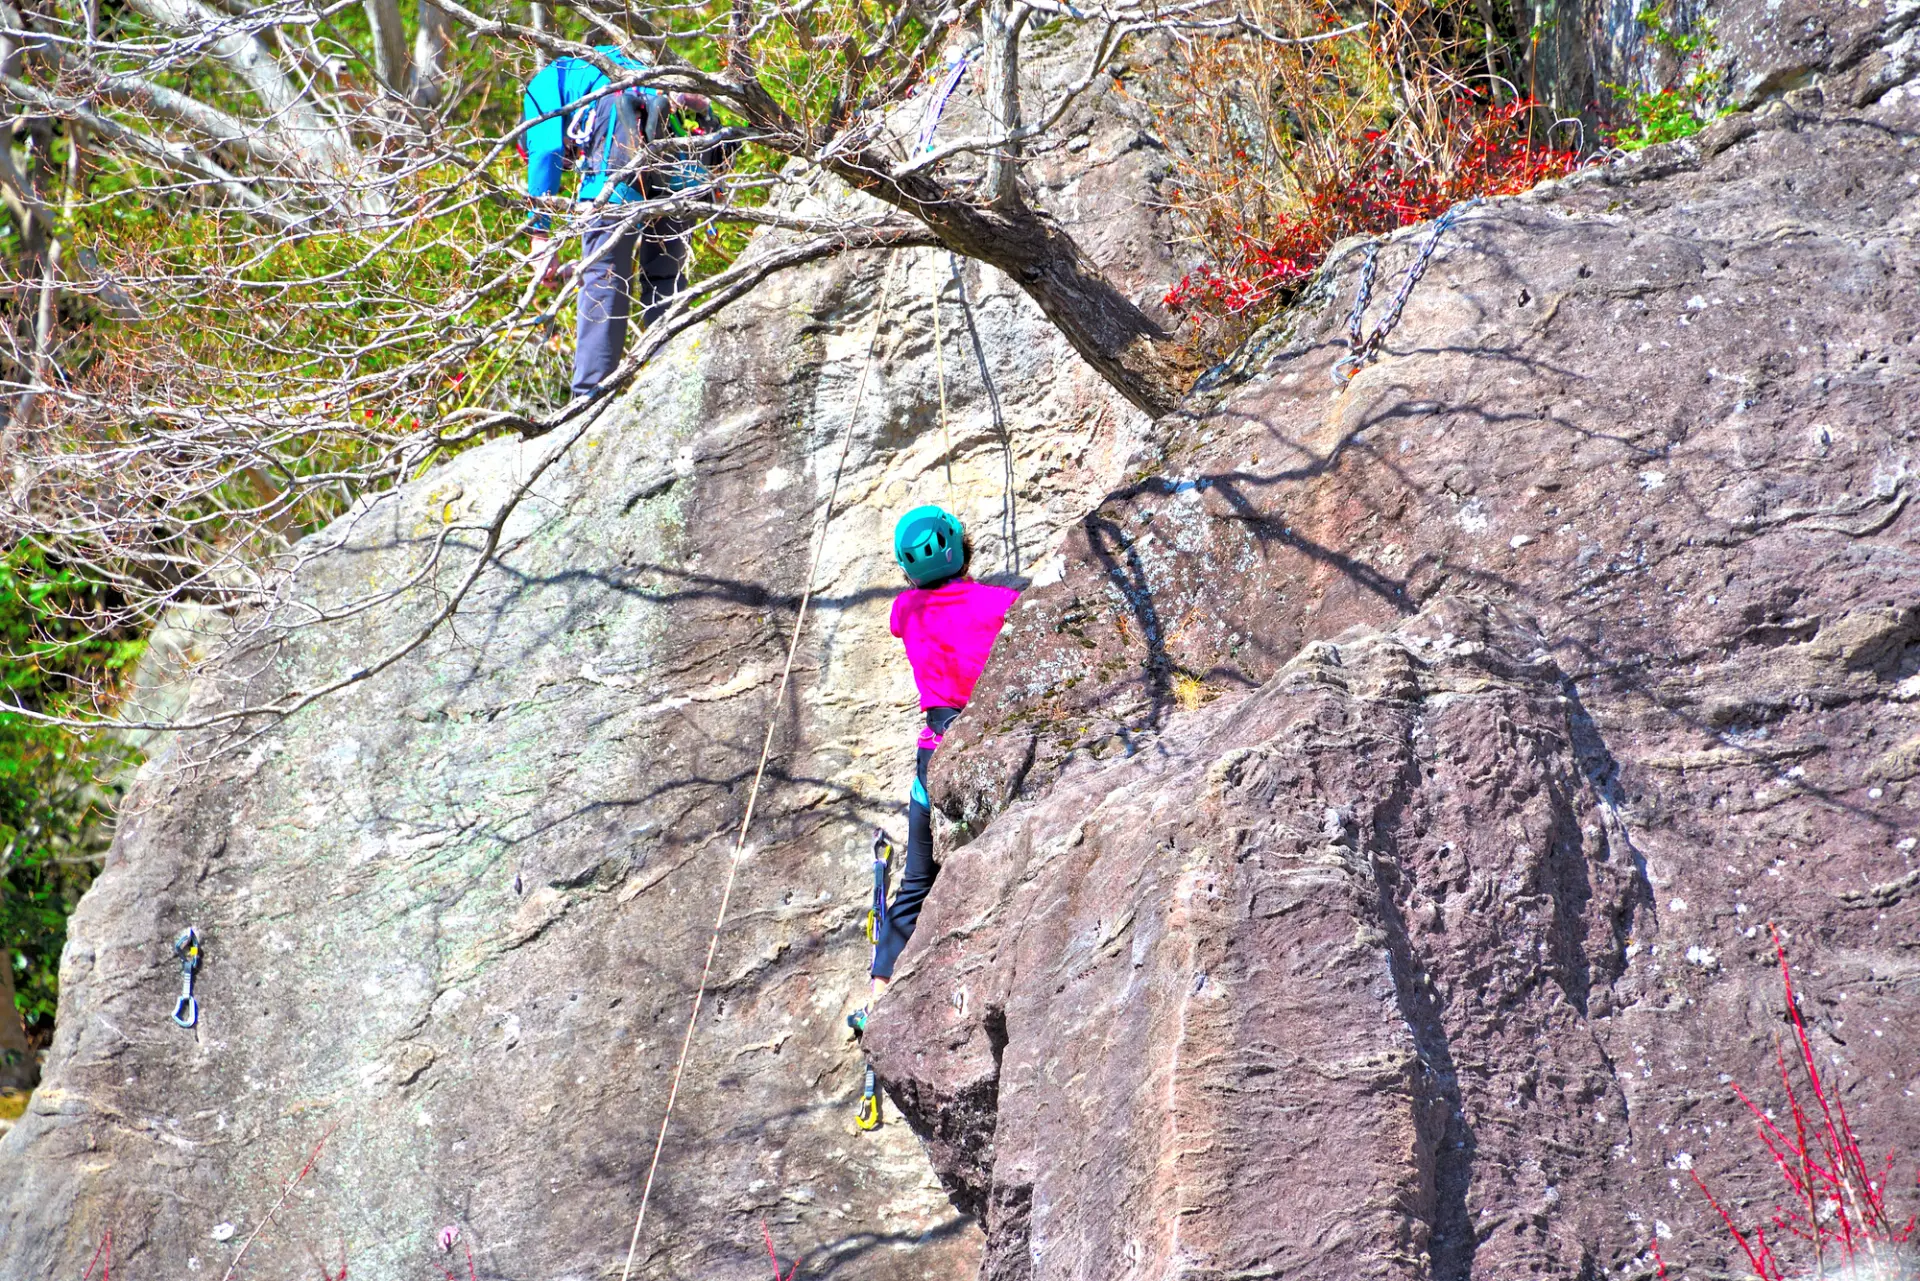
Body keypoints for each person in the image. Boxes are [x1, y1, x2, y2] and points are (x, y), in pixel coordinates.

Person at [857, 506, 1019, 1022]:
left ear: (909, 570)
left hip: (935, 751)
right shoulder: (1003, 604)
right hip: (994, 742)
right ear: (960, 547)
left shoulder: (905, 611)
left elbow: (913, 612)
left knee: (917, 878)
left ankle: (878, 996)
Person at [521, 50, 741, 399]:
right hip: (671, 123)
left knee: (604, 272)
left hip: (619, 120)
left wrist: (540, 235)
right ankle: (667, 384)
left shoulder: (544, 85)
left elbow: (546, 149)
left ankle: (588, 398)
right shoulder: (605, 62)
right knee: (665, 273)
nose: (568, 160)